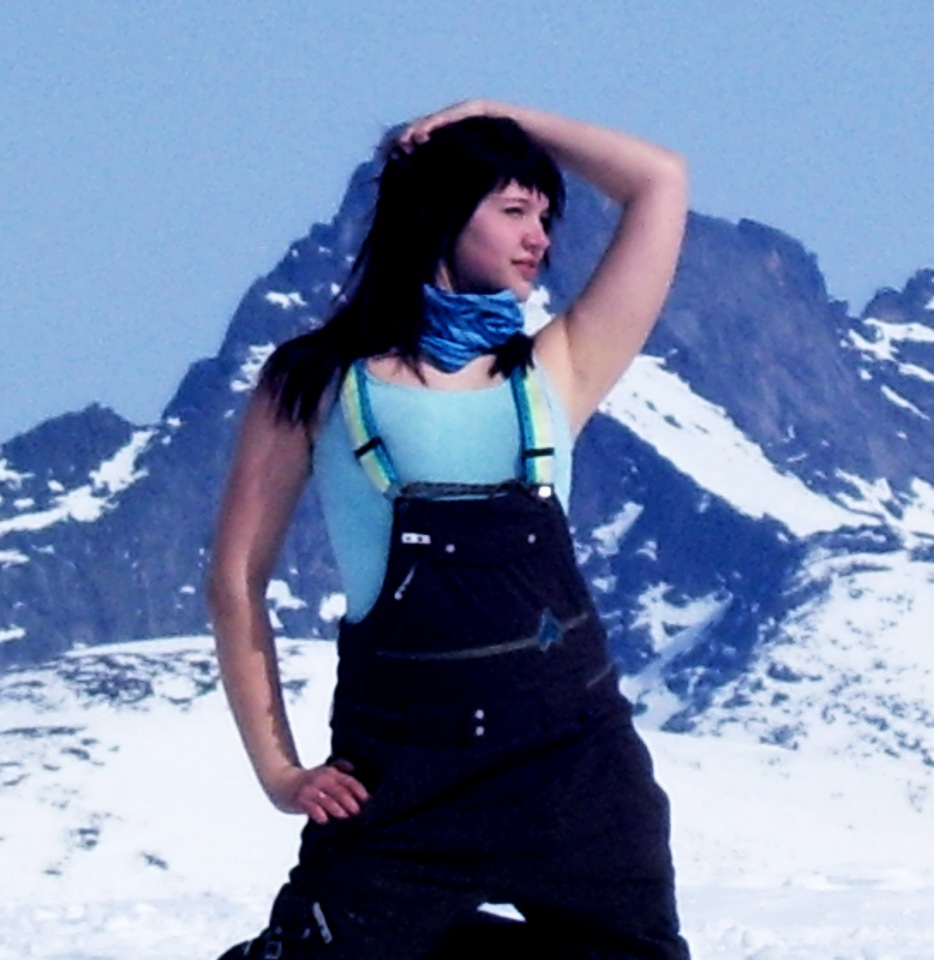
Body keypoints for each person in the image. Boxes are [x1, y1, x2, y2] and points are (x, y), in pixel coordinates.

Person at [208, 99, 689, 959]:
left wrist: (500, 115)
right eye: (515, 210)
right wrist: (280, 773)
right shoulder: (315, 382)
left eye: (546, 217)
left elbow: (660, 181)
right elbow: (236, 581)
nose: (539, 238)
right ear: (438, 213)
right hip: (400, 781)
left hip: (576, 775)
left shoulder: (559, 368)